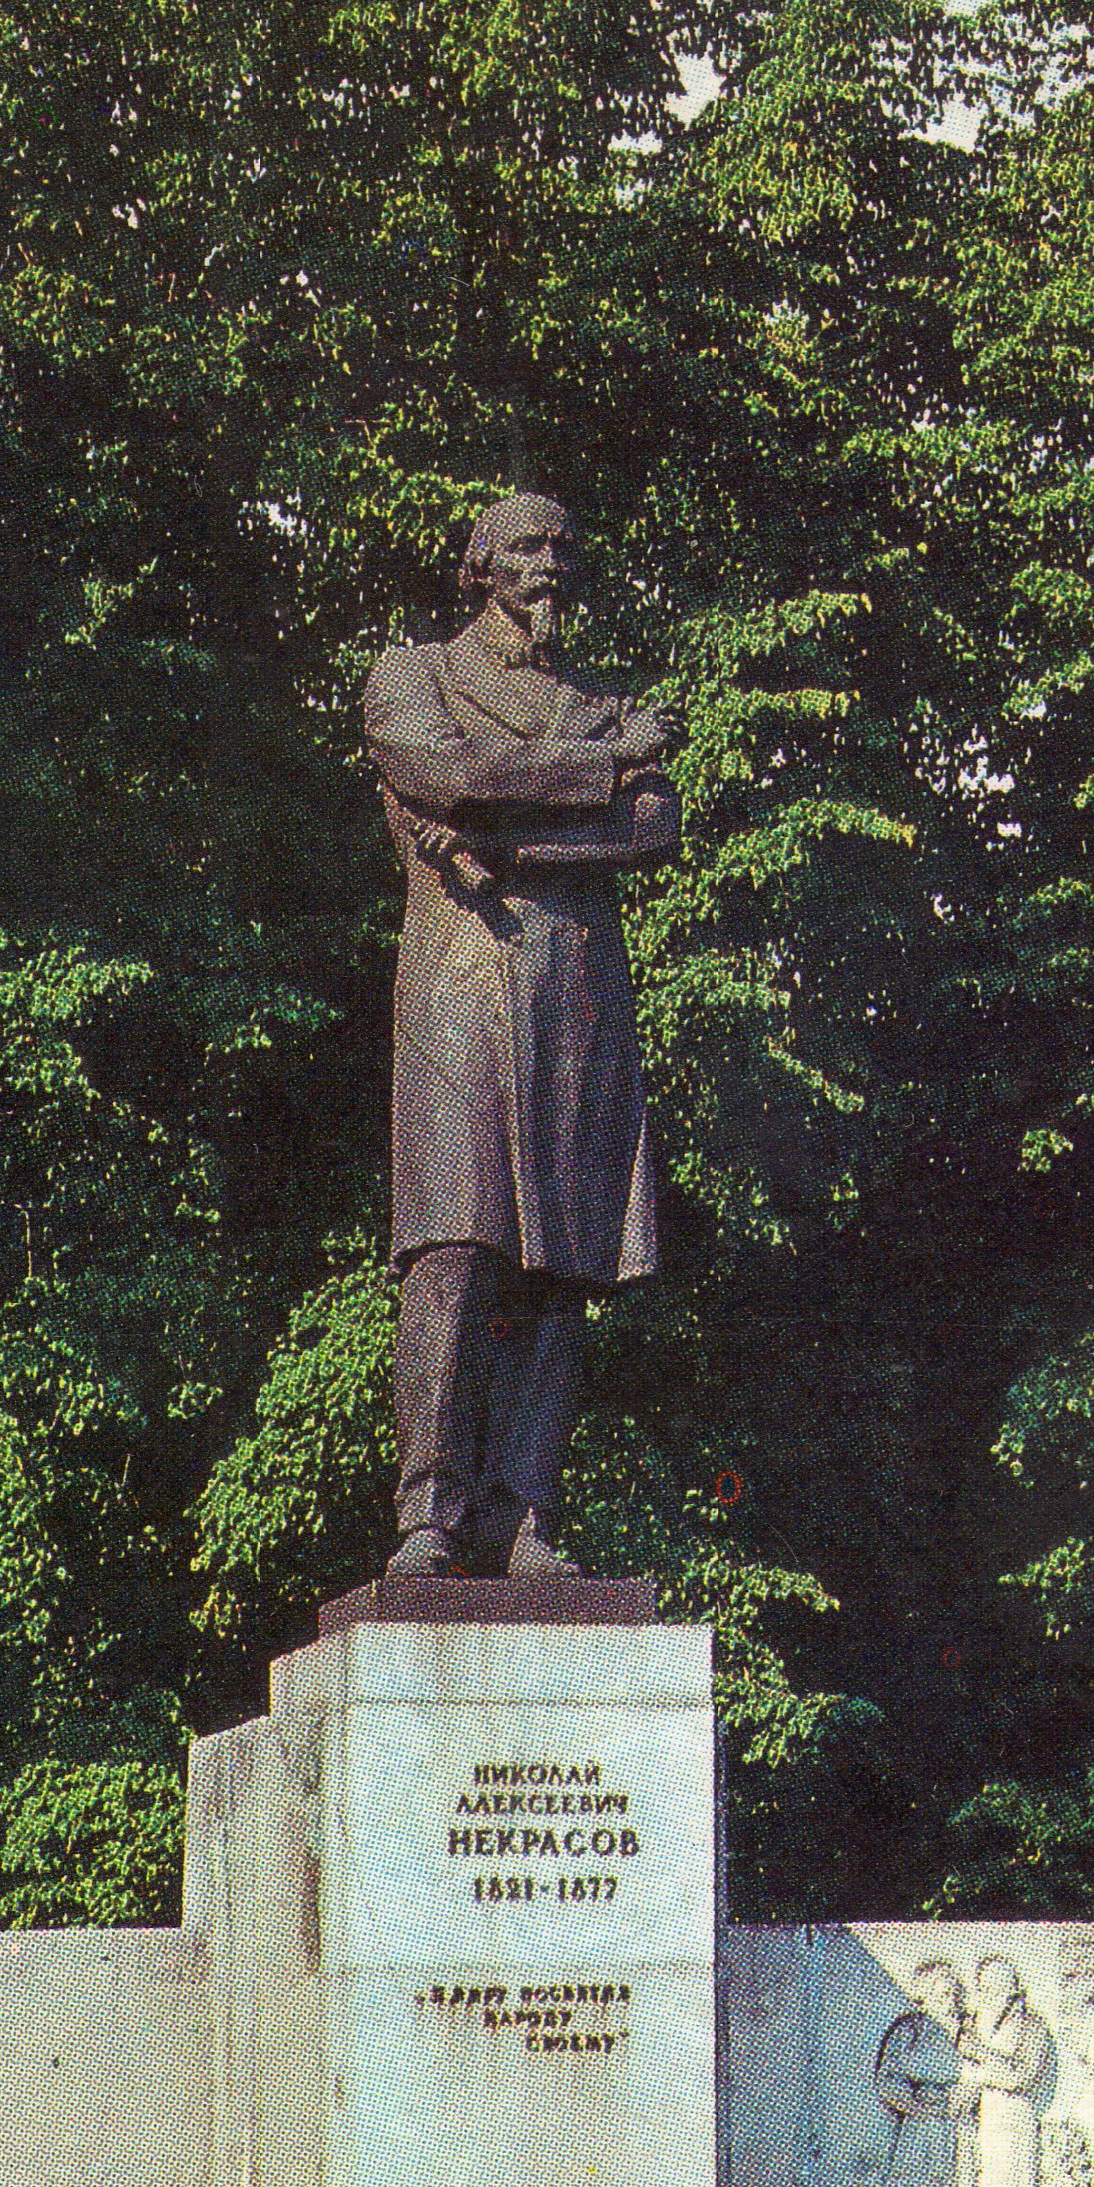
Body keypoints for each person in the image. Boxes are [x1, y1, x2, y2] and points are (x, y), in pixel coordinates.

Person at [359, 492, 680, 1580]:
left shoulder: (605, 700)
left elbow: (655, 829)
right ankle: (431, 1512)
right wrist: (595, 775)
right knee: (455, 1247)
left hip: (577, 1002)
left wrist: (515, 841)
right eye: (529, 547)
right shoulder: (418, 677)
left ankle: (525, 1513)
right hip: (459, 994)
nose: (552, 566)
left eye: (564, 546)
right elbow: (444, 774)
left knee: (560, 1266)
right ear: (480, 566)